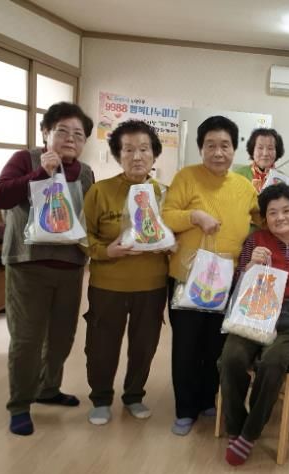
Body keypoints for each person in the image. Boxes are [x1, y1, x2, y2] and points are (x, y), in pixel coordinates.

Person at [161, 116, 289, 436]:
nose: (218, 152)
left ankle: (208, 399)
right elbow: (166, 217)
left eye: (225, 145)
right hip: (188, 278)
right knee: (186, 345)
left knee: (215, 344)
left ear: (234, 149)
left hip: (227, 279)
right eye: (210, 145)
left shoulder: (242, 185)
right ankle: (185, 409)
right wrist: (194, 216)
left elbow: (267, 218)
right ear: (201, 148)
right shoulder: (186, 177)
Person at [0, 102, 94, 436]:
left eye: (78, 134)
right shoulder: (26, 160)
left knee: (62, 336)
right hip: (28, 264)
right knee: (27, 339)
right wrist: (39, 175)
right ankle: (20, 405)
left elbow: (88, 217)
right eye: (62, 131)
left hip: (71, 266)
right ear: (46, 133)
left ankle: (48, 389)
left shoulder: (86, 173)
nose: (70, 138)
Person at [219, 183, 289, 466]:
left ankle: (249, 433)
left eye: (286, 210)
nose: (280, 217)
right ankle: (236, 426)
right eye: (272, 212)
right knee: (230, 358)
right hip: (254, 314)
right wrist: (249, 267)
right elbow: (237, 286)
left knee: (272, 362)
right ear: (265, 217)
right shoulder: (255, 240)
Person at [83, 120, 168, 425]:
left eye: (144, 149)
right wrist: (106, 251)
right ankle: (101, 398)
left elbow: (175, 233)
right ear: (118, 155)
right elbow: (82, 235)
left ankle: (134, 396)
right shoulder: (100, 191)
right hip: (108, 284)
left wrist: (167, 244)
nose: (137, 156)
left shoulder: (164, 194)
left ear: (154, 154)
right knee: (102, 345)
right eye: (128, 150)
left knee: (144, 345)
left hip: (152, 285)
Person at [233, 128, 285, 193]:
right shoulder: (238, 175)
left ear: (277, 151)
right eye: (260, 148)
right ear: (252, 150)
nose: (265, 153)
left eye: (270, 148)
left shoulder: (283, 180)